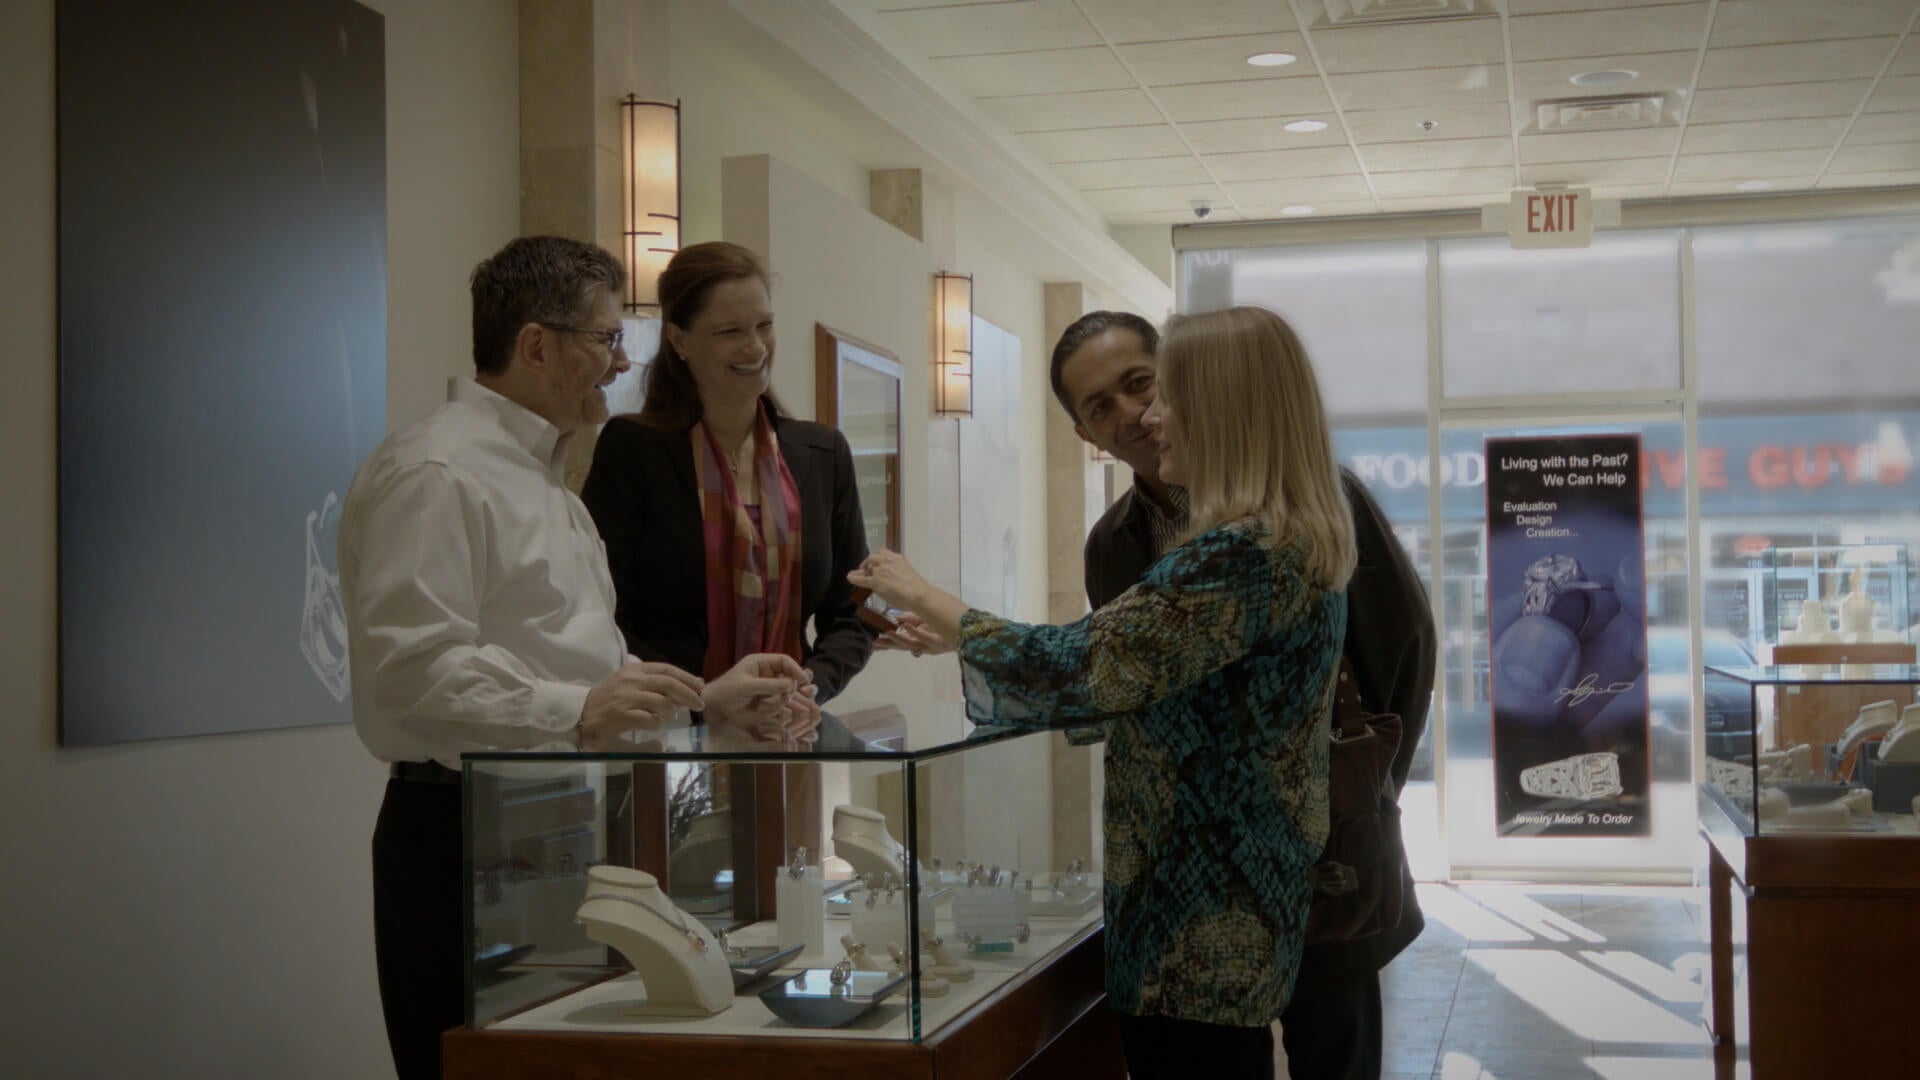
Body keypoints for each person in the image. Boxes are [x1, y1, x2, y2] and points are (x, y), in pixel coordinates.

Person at [882, 308, 1436, 1080]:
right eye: (1102, 405)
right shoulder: (1155, 537)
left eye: (1153, 389)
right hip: (1226, 884)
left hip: (1238, 891)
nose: (1147, 416)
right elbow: (1131, 678)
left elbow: (1089, 666)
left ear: (1220, 405)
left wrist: (941, 606)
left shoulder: (1250, 544)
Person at [338, 235, 808, 1080]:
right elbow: (412, 668)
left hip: (552, 828)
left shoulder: (546, 481)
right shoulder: (437, 472)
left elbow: (587, 674)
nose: (620, 361)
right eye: (604, 339)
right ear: (535, 345)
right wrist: (578, 710)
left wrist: (705, 701)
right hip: (455, 834)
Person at [582, 241, 873, 721]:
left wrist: (811, 688)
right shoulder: (632, 449)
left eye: (764, 326)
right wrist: (703, 701)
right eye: (730, 331)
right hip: (667, 736)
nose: (755, 347)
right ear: (678, 340)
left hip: (789, 735)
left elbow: (854, 612)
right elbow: (606, 610)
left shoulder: (823, 454)